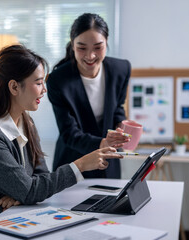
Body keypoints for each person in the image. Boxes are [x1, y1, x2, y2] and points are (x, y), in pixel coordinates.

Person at [0, 45, 121, 239]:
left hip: (6, 224)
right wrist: (80, 165)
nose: (44, 90)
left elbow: (40, 177)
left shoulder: (26, 122)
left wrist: (21, 195)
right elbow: (31, 189)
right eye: (38, 83)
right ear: (14, 87)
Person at [47, 13, 132, 179]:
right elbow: (68, 132)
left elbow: (117, 108)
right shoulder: (58, 80)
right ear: (72, 45)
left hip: (108, 163)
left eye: (98, 47)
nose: (90, 56)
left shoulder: (121, 69)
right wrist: (102, 143)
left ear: (107, 43)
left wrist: (121, 127)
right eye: (82, 48)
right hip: (73, 162)